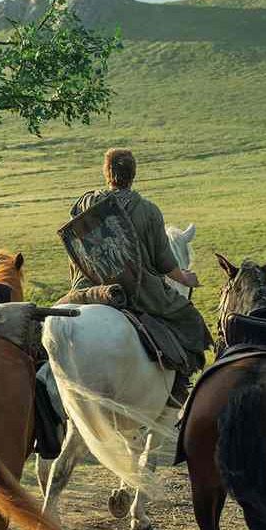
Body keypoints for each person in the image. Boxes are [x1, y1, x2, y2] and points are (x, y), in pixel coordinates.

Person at [67, 148, 212, 401]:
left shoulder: (86, 203)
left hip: (87, 285)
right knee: (189, 320)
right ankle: (177, 389)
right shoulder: (148, 211)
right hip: (138, 289)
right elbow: (163, 261)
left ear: (106, 173)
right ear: (133, 174)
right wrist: (185, 279)